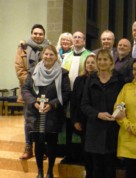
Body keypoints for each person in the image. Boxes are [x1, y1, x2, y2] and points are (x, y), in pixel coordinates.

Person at [22, 45, 71, 178]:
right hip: (36, 113)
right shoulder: (33, 72)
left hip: (53, 113)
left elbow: (66, 93)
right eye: (46, 54)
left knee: (51, 143)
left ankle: (49, 171)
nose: (48, 57)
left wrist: (52, 104)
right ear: (42, 55)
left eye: (51, 54)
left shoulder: (63, 73)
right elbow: (25, 90)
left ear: (56, 57)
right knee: (38, 143)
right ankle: (40, 171)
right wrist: (34, 102)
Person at [81, 49, 124, 178]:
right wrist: (97, 114)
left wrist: (119, 112)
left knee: (110, 167)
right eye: (99, 59)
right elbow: (84, 104)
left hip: (112, 128)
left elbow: (124, 101)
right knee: (96, 168)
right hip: (95, 129)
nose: (102, 62)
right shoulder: (91, 79)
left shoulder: (118, 78)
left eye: (105, 59)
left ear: (111, 61)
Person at [15, 24, 50, 159]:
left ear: (44, 35)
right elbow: (19, 68)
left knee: (42, 119)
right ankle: (28, 147)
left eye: (40, 34)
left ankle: (41, 149)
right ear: (31, 34)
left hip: (44, 89)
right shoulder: (22, 48)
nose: (38, 36)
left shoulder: (48, 48)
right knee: (28, 120)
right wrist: (32, 83)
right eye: (35, 33)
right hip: (28, 89)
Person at [61, 31, 91, 164]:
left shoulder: (90, 55)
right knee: (68, 124)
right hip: (67, 96)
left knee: (80, 125)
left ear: (84, 41)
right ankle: (68, 153)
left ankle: (81, 155)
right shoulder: (66, 56)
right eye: (75, 37)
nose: (77, 39)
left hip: (82, 97)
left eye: (80, 38)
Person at [70, 54, 97, 178]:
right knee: (85, 148)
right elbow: (74, 102)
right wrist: (75, 120)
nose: (90, 64)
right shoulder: (79, 80)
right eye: (88, 62)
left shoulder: (100, 79)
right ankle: (88, 172)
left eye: (93, 62)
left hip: (96, 120)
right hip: (82, 120)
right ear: (85, 65)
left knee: (96, 150)